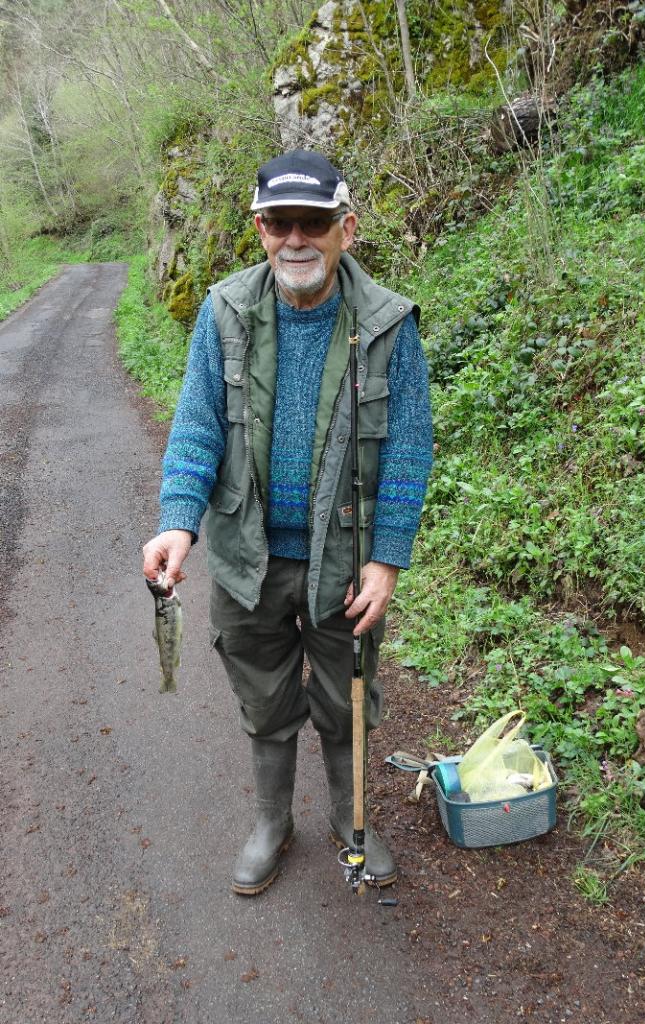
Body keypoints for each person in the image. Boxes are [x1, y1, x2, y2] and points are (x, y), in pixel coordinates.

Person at [142, 149, 433, 895]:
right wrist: (179, 522)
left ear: (346, 228)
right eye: (280, 222)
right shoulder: (224, 311)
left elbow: (407, 446)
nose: (295, 238)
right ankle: (273, 822)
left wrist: (388, 558)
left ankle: (348, 817)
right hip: (248, 555)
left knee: (346, 696)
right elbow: (197, 425)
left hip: (348, 557)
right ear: (260, 228)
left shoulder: (389, 324)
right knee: (264, 698)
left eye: (313, 222)